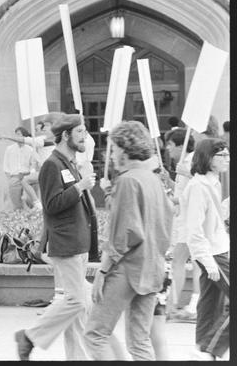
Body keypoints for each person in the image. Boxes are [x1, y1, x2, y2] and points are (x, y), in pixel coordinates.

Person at [83, 121, 173, 360]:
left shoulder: (127, 181)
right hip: (153, 267)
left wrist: (103, 271)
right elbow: (165, 226)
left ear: (124, 149)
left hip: (128, 268)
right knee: (139, 342)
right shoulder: (154, 180)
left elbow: (123, 235)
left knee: (95, 334)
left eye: (113, 149)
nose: (110, 155)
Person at [14, 113, 97, 360]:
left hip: (79, 241)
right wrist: (80, 187)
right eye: (80, 132)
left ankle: (77, 358)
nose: (84, 137)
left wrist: (83, 185)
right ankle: (29, 336)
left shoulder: (70, 163)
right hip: (66, 242)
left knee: (78, 309)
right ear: (65, 135)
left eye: (85, 131)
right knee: (76, 302)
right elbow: (51, 205)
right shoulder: (52, 164)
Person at [183, 138, 230, 360]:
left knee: (210, 305)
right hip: (212, 254)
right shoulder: (198, 187)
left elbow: (215, 218)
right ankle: (211, 350)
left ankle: (201, 350)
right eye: (222, 155)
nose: (227, 159)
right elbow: (194, 230)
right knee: (212, 303)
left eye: (228, 154)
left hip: (218, 249)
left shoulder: (213, 183)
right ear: (208, 158)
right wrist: (207, 261)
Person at [164, 128, 200, 322]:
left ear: (180, 145)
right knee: (186, 261)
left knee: (184, 260)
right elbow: (181, 190)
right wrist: (168, 180)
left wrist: (187, 172)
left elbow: (203, 184)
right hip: (184, 219)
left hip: (191, 219)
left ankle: (178, 305)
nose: (168, 149)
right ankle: (177, 304)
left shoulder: (193, 161)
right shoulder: (182, 163)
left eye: (170, 145)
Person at [2, 127, 39, 210]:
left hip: (26, 176)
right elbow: (6, 165)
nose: (17, 136)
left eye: (19, 134)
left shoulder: (30, 149)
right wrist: (10, 177)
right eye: (16, 134)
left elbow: (33, 164)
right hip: (14, 176)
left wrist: (31, 173)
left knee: (29, 200)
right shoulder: (10, 149)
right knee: (16, 201)